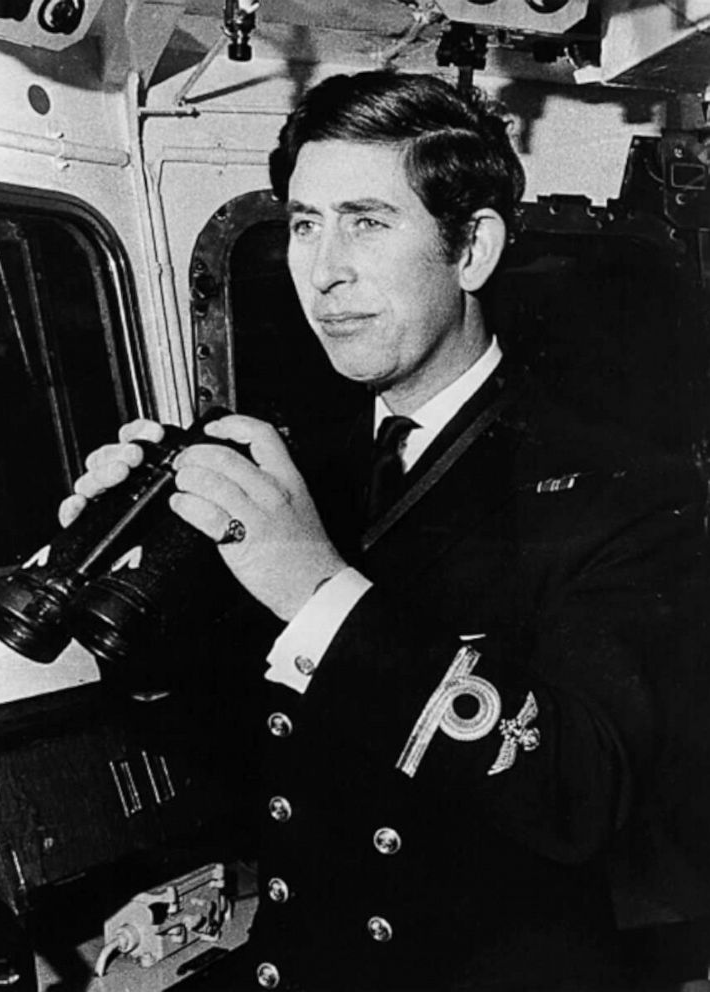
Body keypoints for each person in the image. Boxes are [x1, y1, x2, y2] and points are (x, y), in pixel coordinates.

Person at [60, 72, 710, 991]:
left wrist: (317, 592)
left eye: (366, 221)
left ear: (472, 248)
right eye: (301, 222)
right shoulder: (307, 469)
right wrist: (130, 609)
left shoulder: (620, 490)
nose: (323, 270)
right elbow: (249, 758)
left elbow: (582, 796)